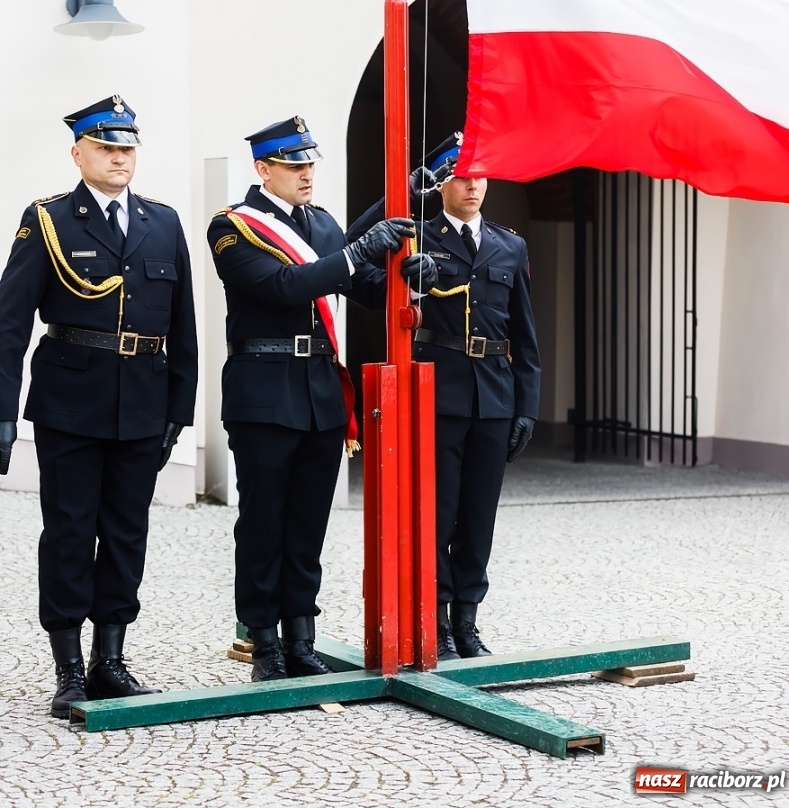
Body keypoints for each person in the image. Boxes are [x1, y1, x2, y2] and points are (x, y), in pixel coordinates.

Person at [0, 95, 198, 718]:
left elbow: (183, 322)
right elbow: (8, 324)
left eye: (127, 148)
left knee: (125, 534)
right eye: (107, 147)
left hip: (142, 400)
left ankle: (110, 660)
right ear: (78, 152)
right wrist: (3, 412)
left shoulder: (162, 223)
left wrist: (179, 409)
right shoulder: (50, 221)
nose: (119, 158)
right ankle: (68, 668)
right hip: (70, 403)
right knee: (68, 534)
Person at [207, 116, 413, 682]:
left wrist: (404, 273)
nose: (306, 174)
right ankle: (264, 642)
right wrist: (355, 255)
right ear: (263, 169)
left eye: (309, 164)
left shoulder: (321, 225)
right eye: (294, 165)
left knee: (307, 524)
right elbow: (282, 286)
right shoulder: (232, 227)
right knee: (263, 522)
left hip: (320, 391)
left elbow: (361, 284)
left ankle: (302, 637)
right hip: (265, 388)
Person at [350, 132, 541, 662]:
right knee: (438, 514)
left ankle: (467, 621)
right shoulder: (418, 237)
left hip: (495, 399)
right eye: (461, 176)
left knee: (479, 515)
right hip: (440, 395)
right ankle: (433, 620)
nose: (474, 185)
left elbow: (525, 336)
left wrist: (527, 406)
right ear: (442, 185)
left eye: (481, 175)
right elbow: (354, 260)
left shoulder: (510, 245)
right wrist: (402, 203)